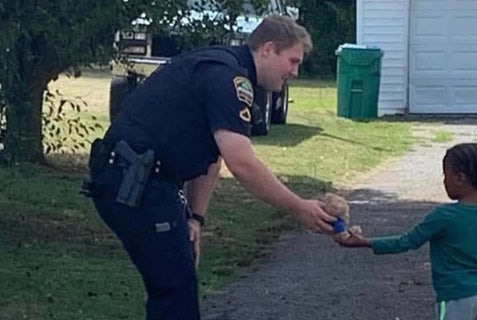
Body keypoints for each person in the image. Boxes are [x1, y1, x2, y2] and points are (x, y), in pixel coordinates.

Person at [84, 15, 336, 320]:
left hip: (145, 180)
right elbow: (241, 162)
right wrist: (299, 207)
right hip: (133, 182)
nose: (295, 72)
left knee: (176, 286)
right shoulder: (228, 78)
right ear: (268, 48)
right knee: (175, 291)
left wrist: (196, 218)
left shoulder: (229, 71)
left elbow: (212, 154)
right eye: (293, 61)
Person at [335, 143, 477, 320]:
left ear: (460, 178)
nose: (444, 181)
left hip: (456, 296)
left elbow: (406, 241)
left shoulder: (444, 215)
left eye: (445, 175)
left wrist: (365, 242)